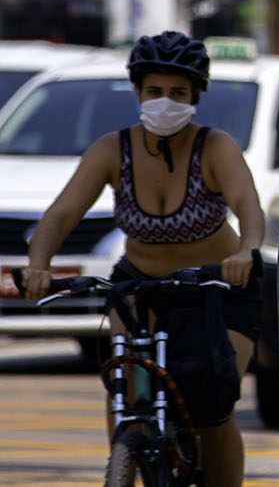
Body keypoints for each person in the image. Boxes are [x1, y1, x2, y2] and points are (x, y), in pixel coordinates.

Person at [22, 31, 264, 487]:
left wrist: (247, 251)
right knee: (128, 394)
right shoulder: (113, 150)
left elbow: (247, 204)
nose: (164, 102)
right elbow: (62, 213)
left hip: (217, 288)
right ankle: (127, 463)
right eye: (154, 91)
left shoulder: (215, 147)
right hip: (139, 288)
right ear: (137, 91)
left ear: (196, 95)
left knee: (212, 406)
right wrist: (39, 265)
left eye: (178, 92)